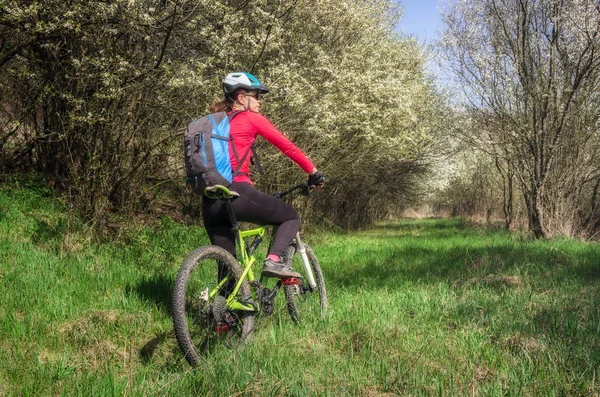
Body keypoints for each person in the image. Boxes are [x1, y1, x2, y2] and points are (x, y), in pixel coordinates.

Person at [203, 72, 325, 279]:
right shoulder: (251, 118)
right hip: (237, 192)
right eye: (257, 96)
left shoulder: (213, 123)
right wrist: (313, 172)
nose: (260, 102)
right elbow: (288, 148)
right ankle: (274, 261)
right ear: (242, 98)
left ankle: (225, 310)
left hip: (209, 201)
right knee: (291, 217)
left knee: (227, 265)